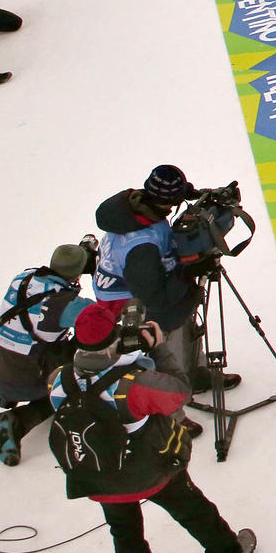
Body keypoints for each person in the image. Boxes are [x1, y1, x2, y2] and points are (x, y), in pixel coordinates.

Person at [48, 308, 257, 553]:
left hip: (99, 475)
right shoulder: (135, 385)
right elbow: (180, 393)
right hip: (151, 470)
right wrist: (157, 349)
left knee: (124, 532)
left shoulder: (59, 382)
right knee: (193, 510)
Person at [92, 165, 234, 391]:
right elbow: (155, 299)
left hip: (137, 278)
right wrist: (187, 271)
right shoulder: (142, 246)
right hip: (128, 298)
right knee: (174, 318)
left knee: (184, 303)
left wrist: (196, 193)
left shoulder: (137, 202)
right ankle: (180, 386)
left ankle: (194, 370)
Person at [0, 240, 94, 464]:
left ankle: (13, 402)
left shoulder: (22, 279)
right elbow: (99, 319)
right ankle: (17, 420)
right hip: (29, 379)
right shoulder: (65, 304)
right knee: (83, 363)